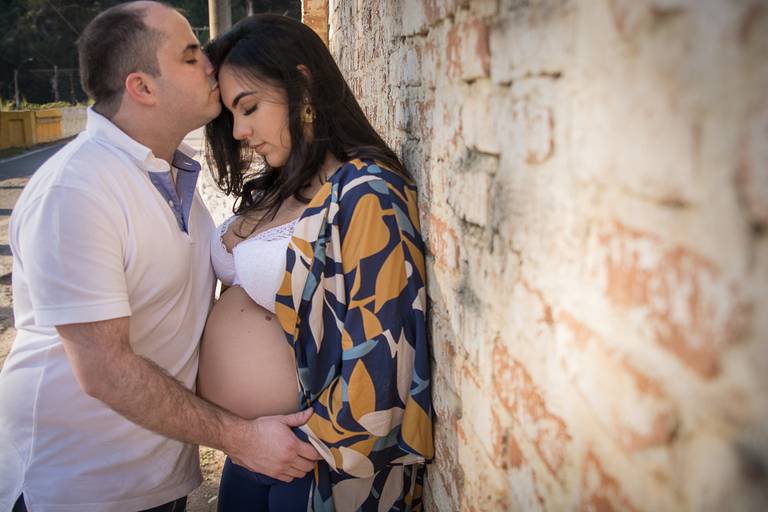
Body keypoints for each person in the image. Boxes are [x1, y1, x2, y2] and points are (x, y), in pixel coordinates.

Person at [0, 3, 321, 511]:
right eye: (190, 56)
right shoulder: (76, 190)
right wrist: (239, 437)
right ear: (142, 88)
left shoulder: (173, 180)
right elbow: (103, 368)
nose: (210, 64)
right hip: (73, 489)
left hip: (158, 480)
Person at [200, 14, 434, 511]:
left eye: (250, 108)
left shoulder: (366, 191)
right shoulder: (278, 185)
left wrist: (309, 449)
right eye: (231, 115)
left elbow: (386, 350)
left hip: (314, 466)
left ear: (301, 83)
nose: (240, 130)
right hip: (250, 453)